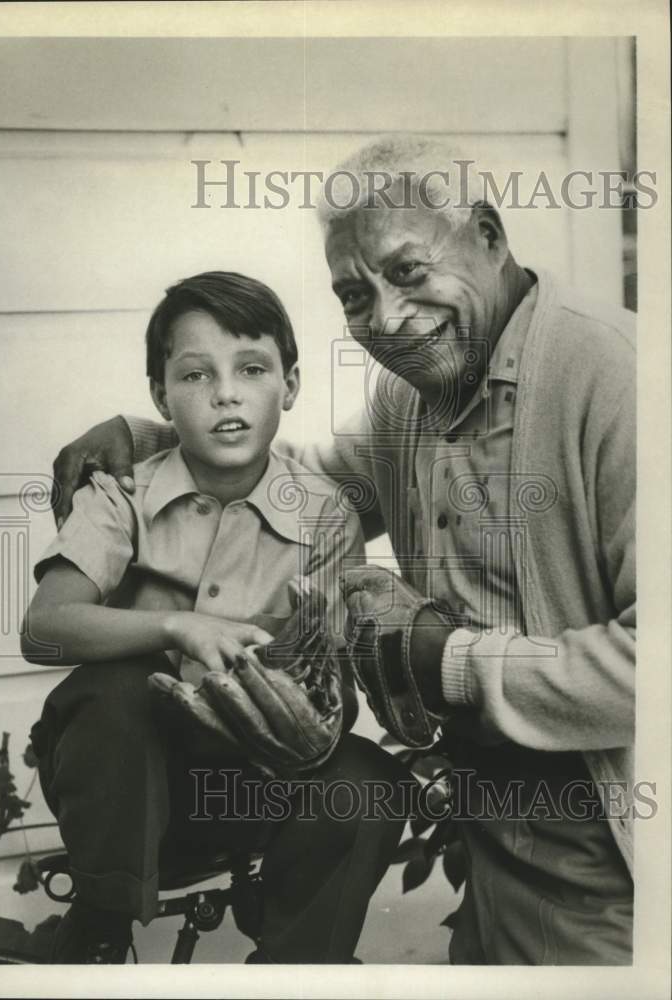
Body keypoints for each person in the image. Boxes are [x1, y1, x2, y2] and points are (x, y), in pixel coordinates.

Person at [51, 137, 637, 965]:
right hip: (489, 833)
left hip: (619, 847)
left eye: (407, 272)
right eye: (355, 295)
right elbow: (298, 487)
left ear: (489, 234)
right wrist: (152, 438)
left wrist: (454, 664)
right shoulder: (413, 393)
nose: (387, 321)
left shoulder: (621, 376)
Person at [23, 270, 409, 964]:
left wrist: (313, 723)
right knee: (114, 692)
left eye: (252, 369)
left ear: (289, 385)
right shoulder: (121, 494)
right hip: (128, 791)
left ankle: (298, 965)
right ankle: (101, 930)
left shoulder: (323, 514)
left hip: (255, 787)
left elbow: (331, 685)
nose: (226, 393)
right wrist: (177, 628)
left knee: (366, 781)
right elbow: (45, 627)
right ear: (160, 397)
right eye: (195, 375)